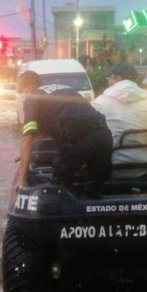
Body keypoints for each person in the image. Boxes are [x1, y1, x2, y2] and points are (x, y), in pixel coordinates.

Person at [16, 70, 113, 198]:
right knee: (94, 187)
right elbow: (44, 131)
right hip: (104, 135)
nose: (22, 95)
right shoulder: (63, 89)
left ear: (27, 87)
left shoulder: (33, 97)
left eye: (21, 92)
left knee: (59, 185)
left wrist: (21, 180)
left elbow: (27, 138)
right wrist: (25, 154)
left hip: (78, 138)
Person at [91, 63, 147, 178]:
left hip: (110, 166)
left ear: (117, 78)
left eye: (110, 77)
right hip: (143, 166)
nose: (108, 81)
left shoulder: (99, 103)